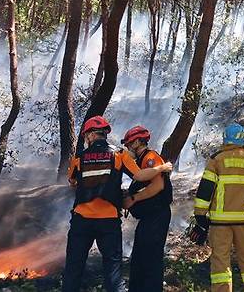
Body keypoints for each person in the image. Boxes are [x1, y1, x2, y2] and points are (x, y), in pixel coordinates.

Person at [62, 115, 172, 292]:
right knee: (113, 272)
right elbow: (140, 176)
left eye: (85, 136)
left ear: (90, 135)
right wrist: (162, 167)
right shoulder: (119, 155)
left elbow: (72, 181)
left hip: (81, 221)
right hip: (109, 221)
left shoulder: (80, 158)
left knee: (73, 269)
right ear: (104, 134)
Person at [191, 123, 244, 292]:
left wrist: (200, 215)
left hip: (221, 221)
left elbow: (206, 189)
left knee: (220, 262)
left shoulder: (217, 159)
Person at [121, 125, 173, 292]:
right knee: (140, 257)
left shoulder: (150, 158)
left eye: (129, 143)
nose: (128, 148)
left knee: (151, 258)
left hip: (157, 216)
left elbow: (157, 186)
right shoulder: (142, 161)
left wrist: (134, 199)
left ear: (137, 142)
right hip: (150, 217)